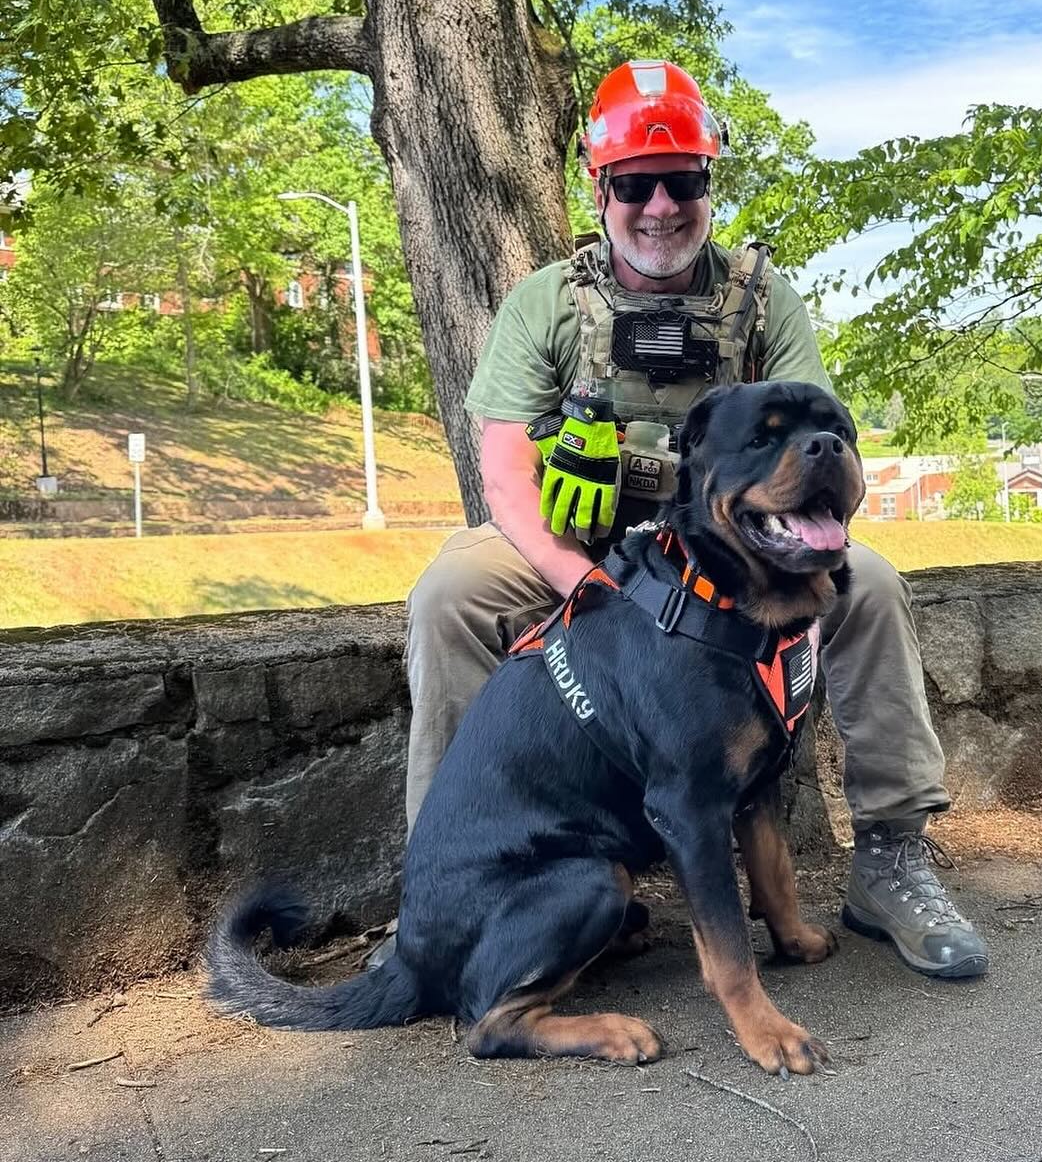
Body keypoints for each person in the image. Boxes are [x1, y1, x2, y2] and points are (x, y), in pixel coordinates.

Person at [397, 59, 989, 980]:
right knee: (450, 592)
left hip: (733, 547)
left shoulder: (761, 298)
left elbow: (826, 436)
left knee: (867, 583)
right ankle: (458, 887)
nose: (662, 206)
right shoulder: (546, 303)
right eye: (636, 185)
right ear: (601, 190)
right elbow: (505, 478)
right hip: (575, 541)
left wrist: (800, 529)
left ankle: (891, 856)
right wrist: (582, 586)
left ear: (709, 184)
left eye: (684, 181)